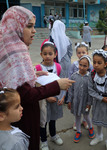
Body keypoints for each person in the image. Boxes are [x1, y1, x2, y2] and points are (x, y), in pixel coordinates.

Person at [0, 6, 75, 150]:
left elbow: (13, 80)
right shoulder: (16, 51)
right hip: (23, 116)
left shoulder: (6, 46)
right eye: (29, 26)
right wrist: (57, 85)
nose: (34, 31)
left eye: (34, 26)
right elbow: (25, 94)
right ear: (15, 27)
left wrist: (32, 74)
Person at [35, 42, 65, 150]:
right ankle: (43, 140)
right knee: (43, 120)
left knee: (53, 119)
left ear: (55, 54)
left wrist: (61, 97)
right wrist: (46, 97)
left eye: (50, 53)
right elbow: (36, 85)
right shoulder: (38, 68)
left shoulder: (58, 67)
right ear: (41, 54)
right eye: (45, 54)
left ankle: (53, 135)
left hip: (55, 99)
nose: (47, 56)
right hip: (43, 100)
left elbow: (62, 82)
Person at [67, 55, 95, 143]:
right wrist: (69, 100)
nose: (82, 67)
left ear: (88, 66)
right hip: (76, 101)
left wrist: (89, 103)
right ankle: (79, 131)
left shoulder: (90, 77)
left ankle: (91, 127)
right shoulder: (74, 76)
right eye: (80, 65)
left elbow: (91, 92)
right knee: (77, 116)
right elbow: (71, 90)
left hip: (86, 101)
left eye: (85, 66)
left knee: (86, 115)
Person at [68, 42, 93, 130]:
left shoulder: (90, 70)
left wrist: (90, 102)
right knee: (77, 112)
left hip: (85, 95)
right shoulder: (74, 66)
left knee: (85, 113)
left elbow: (91, 86)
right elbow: (70, 77)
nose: (81, 54)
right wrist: (69, 99)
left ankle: (87, 124)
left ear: (87, 53)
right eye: (79, 53)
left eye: (83, 52)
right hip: (76, 94)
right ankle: (77, 126)